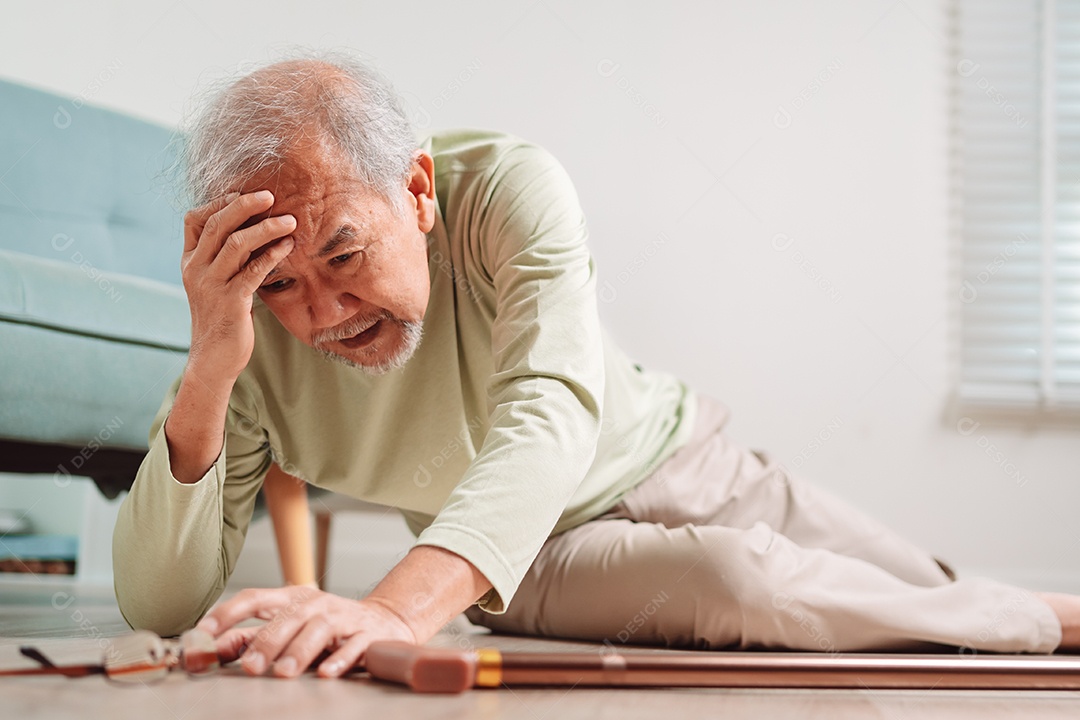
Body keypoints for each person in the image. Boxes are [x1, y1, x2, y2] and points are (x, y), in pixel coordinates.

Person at [112, 50, 1080, 680]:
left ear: (416, 189)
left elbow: (550, 409)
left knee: (924, 588)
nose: (320, 314)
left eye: (344, 256)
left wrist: (390, 608)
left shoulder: (504, 187)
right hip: (527, 554)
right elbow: (158, 602)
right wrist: (211, 366)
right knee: (742, 585)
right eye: (280, 284)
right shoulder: (242, 325)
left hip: (680, 453)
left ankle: (1041, 616)